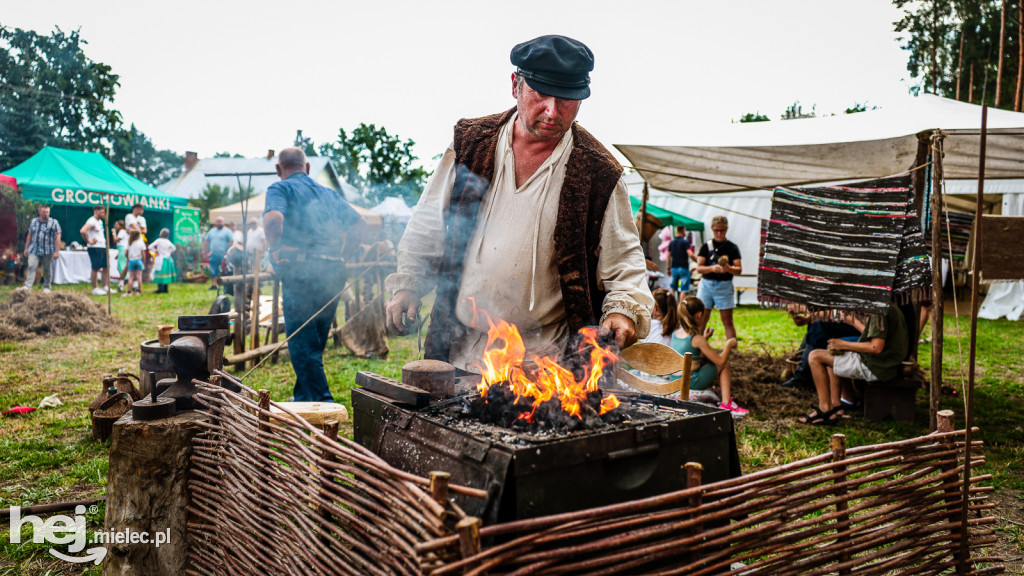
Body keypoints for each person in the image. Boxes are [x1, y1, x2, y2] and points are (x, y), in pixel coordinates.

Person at [385, 35, 653, 371]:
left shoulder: (599, 172)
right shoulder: (469, 144)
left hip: (548, 362)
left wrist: (622, 309)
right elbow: (427, 224)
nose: (552, 112)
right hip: (464, 349)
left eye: (567, 100)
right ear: (516, 85)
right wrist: (408, 285)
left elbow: (625, 262)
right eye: (541, 94)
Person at [264, 147, 364, 402]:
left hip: (303, 272)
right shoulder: (328, 193)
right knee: (314, 341)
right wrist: (345, 257)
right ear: (307, 168)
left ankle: (322, 404)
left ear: (279, 170)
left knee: (301, 344)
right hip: (333, 271)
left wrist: (274, 251)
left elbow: (274, 219)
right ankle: (304, 398)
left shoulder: (281, 188)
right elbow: (359, 224)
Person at [799, 302, 909, 425]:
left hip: (877, 367)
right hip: (884, 363)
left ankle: (825, 411)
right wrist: (852, 323)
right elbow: (875, 337)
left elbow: (875, 347)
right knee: (831, 354)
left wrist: (843, 344)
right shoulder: (888, 307)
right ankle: (835, 405)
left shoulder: (879, 311)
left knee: (815, 357)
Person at [672, 296, 746, 416]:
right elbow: (720, 362)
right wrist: (728, 345)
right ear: (700, 315)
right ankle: (727, 404)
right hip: (690, 382)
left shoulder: (675, 333)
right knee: (726, 365)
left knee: (705, 362)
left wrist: (705, 339)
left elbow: (691, 350)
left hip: (675, 380)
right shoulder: (697, 339)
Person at [779, 306, 861, 389]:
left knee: (820, 325)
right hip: (853, 321)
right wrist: (809, 319)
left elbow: (841, 313)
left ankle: (802, 377)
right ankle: (800, 367)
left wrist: (805, 310)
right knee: (816, 324)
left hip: (861, 327)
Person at [695, 215, 742, 341]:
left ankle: (732, 349)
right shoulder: (706, 247)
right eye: (716, 230)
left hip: (724, 285)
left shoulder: (732, 248)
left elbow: (739, 270)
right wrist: (711, 268)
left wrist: (729, 269)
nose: (719, 233)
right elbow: (699, 268)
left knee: (727, 320)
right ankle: (697, 347)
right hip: (706, 284)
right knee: (701, 318)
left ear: (726, 229)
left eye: (722, 230)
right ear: (712, 229)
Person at [20, 205, 61, 293]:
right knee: (31, 266)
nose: (46, 214)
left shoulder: (54, 222)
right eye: (44, 212)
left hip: (48, 250)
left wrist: (56, 251)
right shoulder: (34, 221)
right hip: (34, 249)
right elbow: (30, 234)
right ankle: (28, 286)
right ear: (39, 212)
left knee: (47, 268)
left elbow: (58, 236)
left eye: (47, 212)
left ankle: (47, 287)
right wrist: (26, 248)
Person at [80, 205, 109, 295]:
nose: (104, 214)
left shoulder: (99, 221)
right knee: (95, 268)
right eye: (102, 212)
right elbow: (83, 231)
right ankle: (95, 288)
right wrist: (88, 241)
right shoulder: (91, 220)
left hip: (102, 246)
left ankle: (104, 286)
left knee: (106, 267)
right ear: (96, 212)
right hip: (95, 247)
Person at [203, 217, 234, 290]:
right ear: (216, 223)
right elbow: (206, 240)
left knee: (225, 270)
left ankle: (226, 285)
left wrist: (227, 252)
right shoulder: (212, 231)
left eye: (221, 222)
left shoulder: (227, 231)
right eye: (218, 222)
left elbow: (231, 242)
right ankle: (214, 285)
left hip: (223, 255)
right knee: (213, 269)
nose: (219, 223)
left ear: (223, 222)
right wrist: (205, 250)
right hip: (213, 254)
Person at [667, 225, 696, 297]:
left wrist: (668, 268)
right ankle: (681, 308)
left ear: (677, 232)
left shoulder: (672, 242)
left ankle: (671, 306)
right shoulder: (685, 242)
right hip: (683, 268)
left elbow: (668, 256)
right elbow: (690, 254)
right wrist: (698, 261)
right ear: (683, 231)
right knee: (684, 289)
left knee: (672, 288)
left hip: (674, 268)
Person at [149, 228, 177, 293]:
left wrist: (155, 251)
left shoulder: (158, 240)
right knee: (165, 274)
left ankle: (160, 289)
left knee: (159, 274)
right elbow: (174, 248)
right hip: (167, 259)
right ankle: (165, 289)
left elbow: (150, 246)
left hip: (160, 259)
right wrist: (168, 252)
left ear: (161, 234)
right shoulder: (168, 241)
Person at [124, 229, 146, 296]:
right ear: (138, 235)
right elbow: (143, 253)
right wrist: (144, 261)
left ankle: (129, 292)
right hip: (139, 260)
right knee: (139, 276)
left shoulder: (129, 243)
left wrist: (128, 258)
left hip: (131, 260)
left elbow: (125, 253)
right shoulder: (141, 243)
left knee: (131, 277)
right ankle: (139, 291)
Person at [113, 220, 129, 291]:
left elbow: (115, 240)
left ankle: (124, 280)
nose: (115, 226)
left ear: (121, 226)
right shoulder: (125, 232)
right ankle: (124, 281)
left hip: (122, 249)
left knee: (121, 267)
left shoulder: (122, 231)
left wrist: (113, 233)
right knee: (121, 266)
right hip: (122, 250)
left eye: (116, 225)